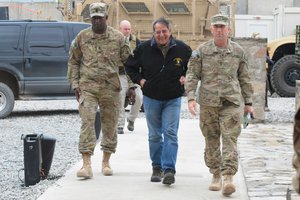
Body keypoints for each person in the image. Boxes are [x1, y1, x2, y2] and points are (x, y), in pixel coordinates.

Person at [185, 14, 254, 196]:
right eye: (216, 27)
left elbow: (245, 78)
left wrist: (249, 102)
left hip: (230, 103)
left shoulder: (238, 52)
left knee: (230, 138)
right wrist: (191, 98)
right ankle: (216, 174)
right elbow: (192, 75)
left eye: (222, 27)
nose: (219, 30)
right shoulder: (201, 51)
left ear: (228, 29)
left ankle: (228, 176)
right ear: (211, 29)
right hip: (208, 103)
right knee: (211, 139)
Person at [125, 17, 192, 185]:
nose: (161, 35)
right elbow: (130, 66)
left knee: (170, 133)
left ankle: (169, 169)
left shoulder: (183, 49)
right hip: (151, 98)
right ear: (153, 33)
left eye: (164, 31)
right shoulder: (143, 49)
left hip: (173, 98)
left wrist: (186, 76)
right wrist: (139, 80)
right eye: (158, 32)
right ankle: (157, 167)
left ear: (170, 32)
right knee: (155, 135)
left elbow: (193, 67)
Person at [67, 2, 131, 178]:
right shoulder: (82, 37)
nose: (96, 21)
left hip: (111, 89)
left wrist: (132, 86)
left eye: (99, 18)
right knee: (87, 123)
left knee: (109, 126)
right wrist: (75, 84)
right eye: (93, 18)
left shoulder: (118, 38)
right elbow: (73, 61)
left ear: (106, 18)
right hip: (88, 88)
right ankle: (86, 165)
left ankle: (106, 161)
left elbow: (129, 64)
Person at [117, 20, 143, 134]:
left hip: (133, 74)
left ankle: (131, 119)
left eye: (129, 29)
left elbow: (141, 59)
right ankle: (120, 124)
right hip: (121, 74)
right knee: (120, 95)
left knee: (139, 98)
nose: (127, 31)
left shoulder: (136, 42)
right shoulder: (116, 41)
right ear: (120, 29)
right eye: (125, 29)